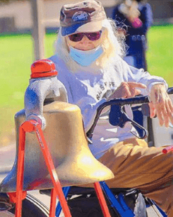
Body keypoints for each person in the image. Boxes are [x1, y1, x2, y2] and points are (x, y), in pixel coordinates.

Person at [48, 0, 173, 215]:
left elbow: (143, 77)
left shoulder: (112, 63)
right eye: (75, 36)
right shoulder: (55, 71)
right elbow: (63, 131)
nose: (84, 42)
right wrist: (110, 100)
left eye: (92, 34)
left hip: (131, 147)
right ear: (64, 37)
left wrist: (157, 85)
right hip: (95, 157)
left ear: (105, 33)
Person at [112, 0, 153, 70]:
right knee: (126, 74)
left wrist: (133, 18)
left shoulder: (144, 7)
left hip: (139, 46)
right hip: (125, 47)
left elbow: (144, 28)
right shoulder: (119, 9)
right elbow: (118, 28)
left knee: (140, 72)